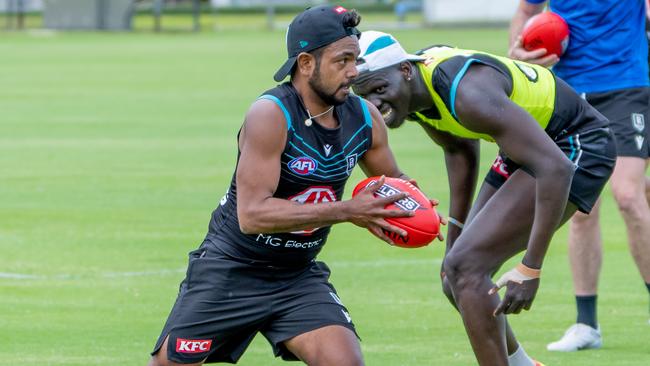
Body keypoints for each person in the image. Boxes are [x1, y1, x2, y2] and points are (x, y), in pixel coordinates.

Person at [147, 6, 438, 366]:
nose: (354, 72)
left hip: (296, 276)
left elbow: (392, 184)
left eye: (356, 59)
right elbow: (252, 215)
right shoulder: (270, 115)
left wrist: (416, 208)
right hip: (231, 269)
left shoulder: (364, 117)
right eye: (343, 60)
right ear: (305, 64)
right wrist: (347, 211)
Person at [352, 30, 616, 366]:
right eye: (364, 95)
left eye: (379, 89)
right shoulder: (414, 95)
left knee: (467, 268)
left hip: (576, 145)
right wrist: (454, 239)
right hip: (527, 145)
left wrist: (530, 268)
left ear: (405, 70)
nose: (375, 103)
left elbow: (555, 167)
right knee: (456, 275)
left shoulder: (467, 94)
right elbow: (458, 147)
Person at [509, 0, 650, 352]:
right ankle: (587, 325)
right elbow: (527, 12)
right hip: (566, 89)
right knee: (583, 210)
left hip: (626, 85)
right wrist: (517, 53)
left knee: (629, 196)